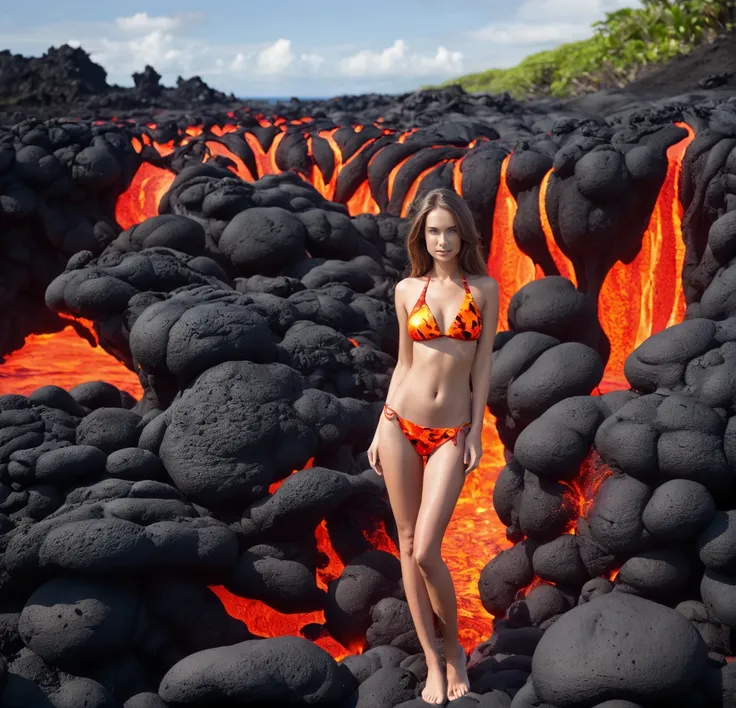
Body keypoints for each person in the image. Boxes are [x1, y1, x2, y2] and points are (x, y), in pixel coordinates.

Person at [367, 188, 498, 704]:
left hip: (450, 431)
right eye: (432, 231)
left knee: (427, 550)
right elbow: (403, 364)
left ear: (464, 232)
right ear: (421, 236)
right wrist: (381, 424)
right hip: (401, 422)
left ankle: (456, 648)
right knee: (404, 542)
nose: (442, 240)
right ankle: (433, 665)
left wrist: (476, 429)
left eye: (450, 230)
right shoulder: (406, 290)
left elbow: (482, 366)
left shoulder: (483, 288)